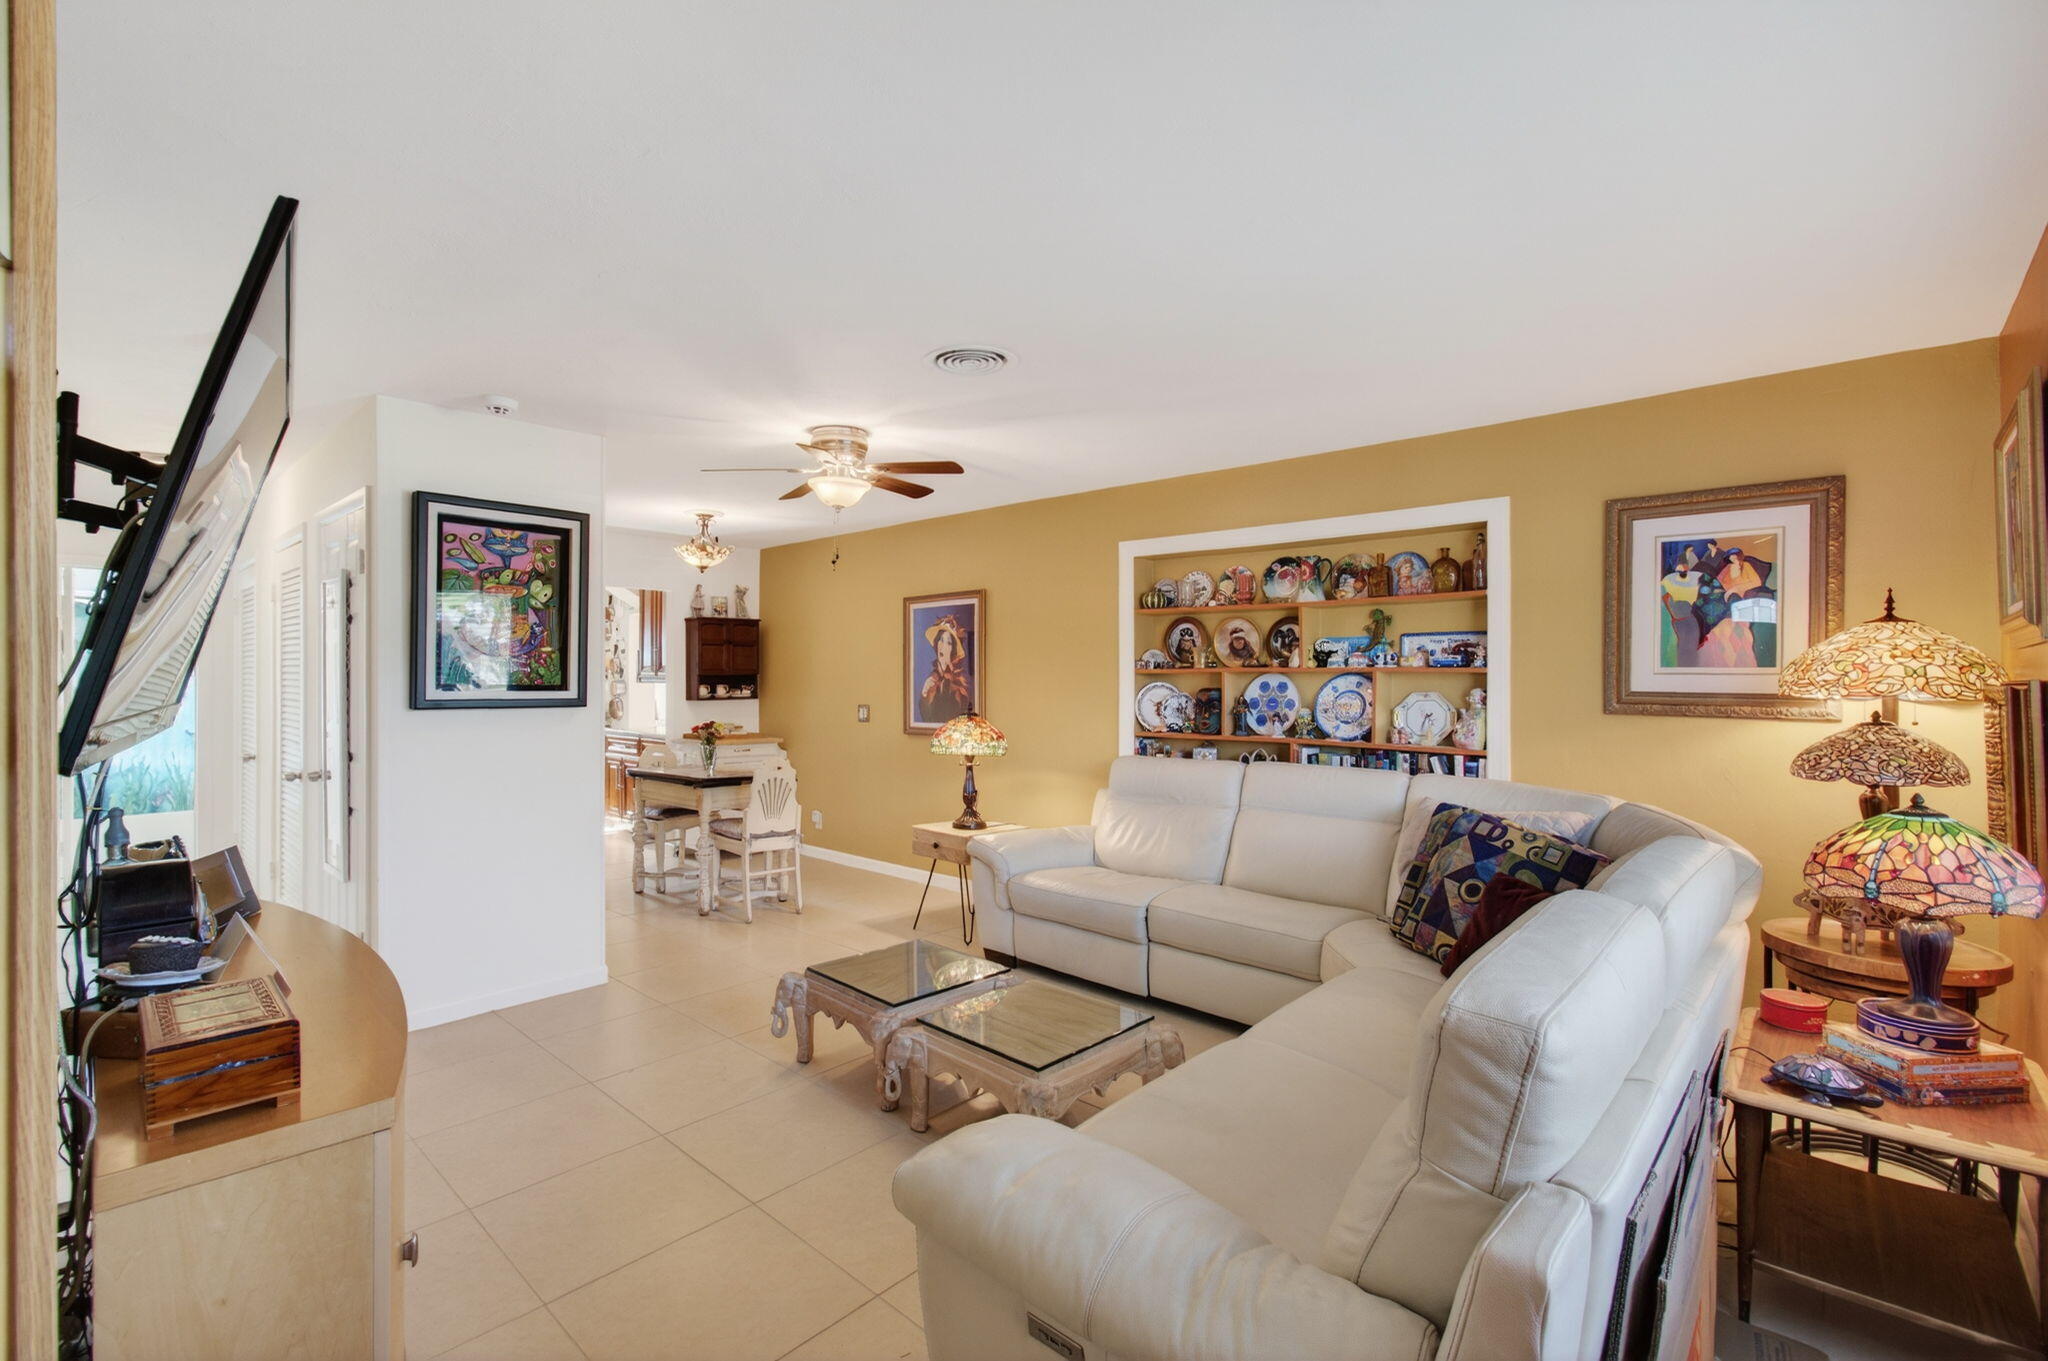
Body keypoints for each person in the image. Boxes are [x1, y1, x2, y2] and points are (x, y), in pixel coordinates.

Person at [920, 615, 972, 723]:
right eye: (941, 640)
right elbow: (926, 716)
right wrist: (925, 695)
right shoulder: (931, 680)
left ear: (952, 650)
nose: (942, 646)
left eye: (948, 643)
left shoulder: (959, 684)